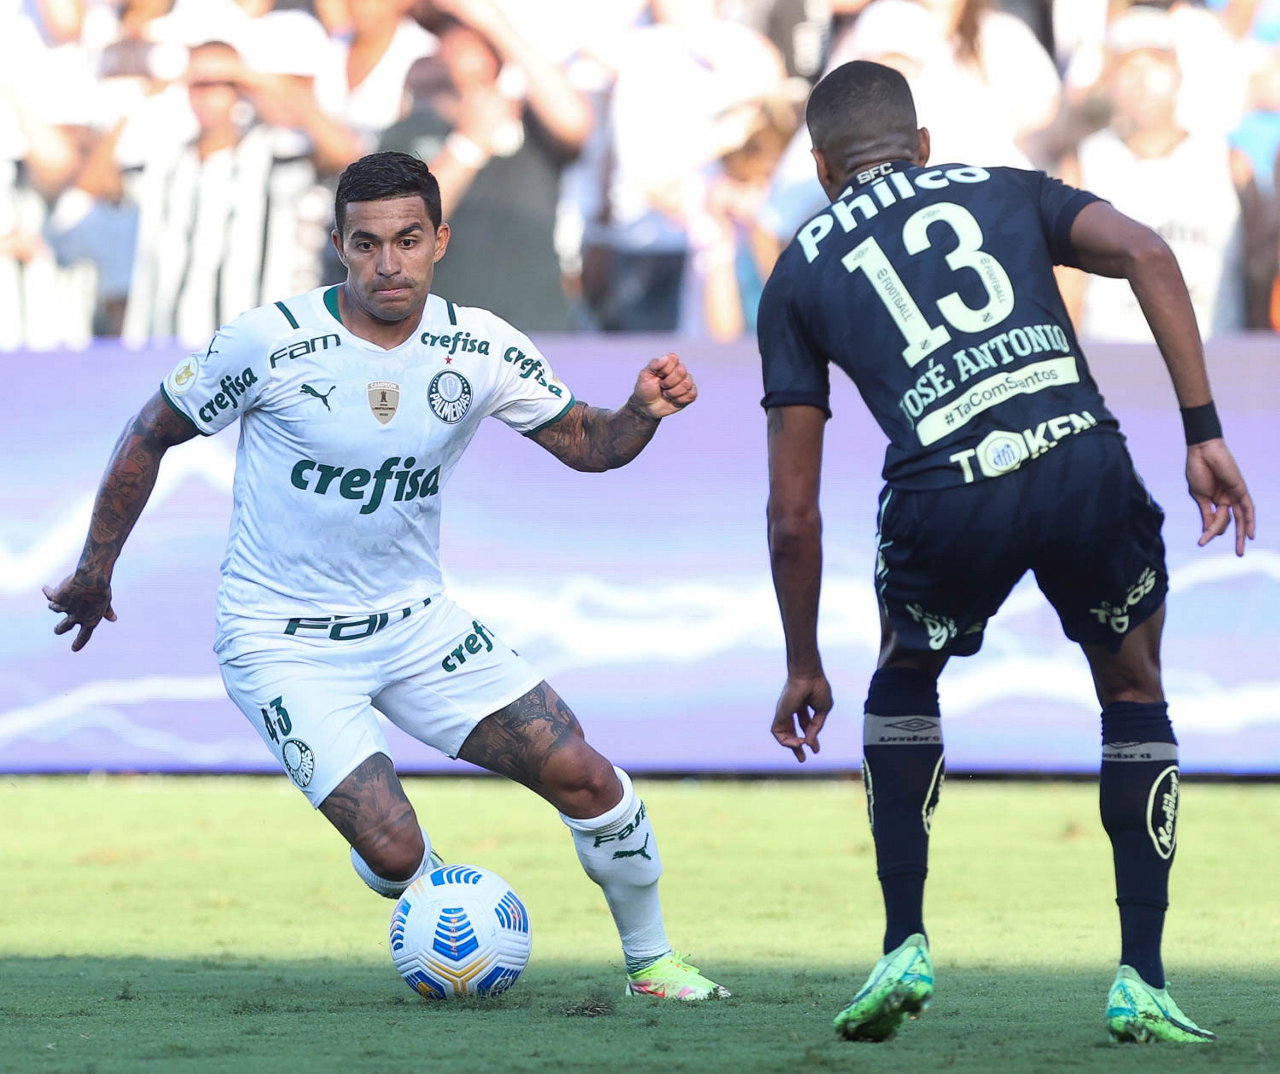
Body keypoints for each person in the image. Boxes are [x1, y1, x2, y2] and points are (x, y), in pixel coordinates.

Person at [43, 151, 728, 1003]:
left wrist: (641, 412)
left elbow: (588, 443)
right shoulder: (267, 342)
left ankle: (654, 966)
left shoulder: (479, 345)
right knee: (396, 853)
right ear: (339, 246)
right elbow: (150, 431)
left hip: (416, 626)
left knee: (586, 775)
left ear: (440, 240)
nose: (388, 263)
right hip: (282, 642)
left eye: (407, 240)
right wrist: (95, 570)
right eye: (366, 244)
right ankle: (430, 900)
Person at [759, 61, 1254, 1043]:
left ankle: (902, 942)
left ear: (820, 168)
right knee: (1132, 687)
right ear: (921, 146)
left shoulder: (798, 271)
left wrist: (803, 658)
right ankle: (1143, 977)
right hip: (1077, 460)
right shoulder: (1003, 186)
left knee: (905, 674)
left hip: (945, 494)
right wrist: (1202, 432)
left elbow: (792, 513)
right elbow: (1149, 252)